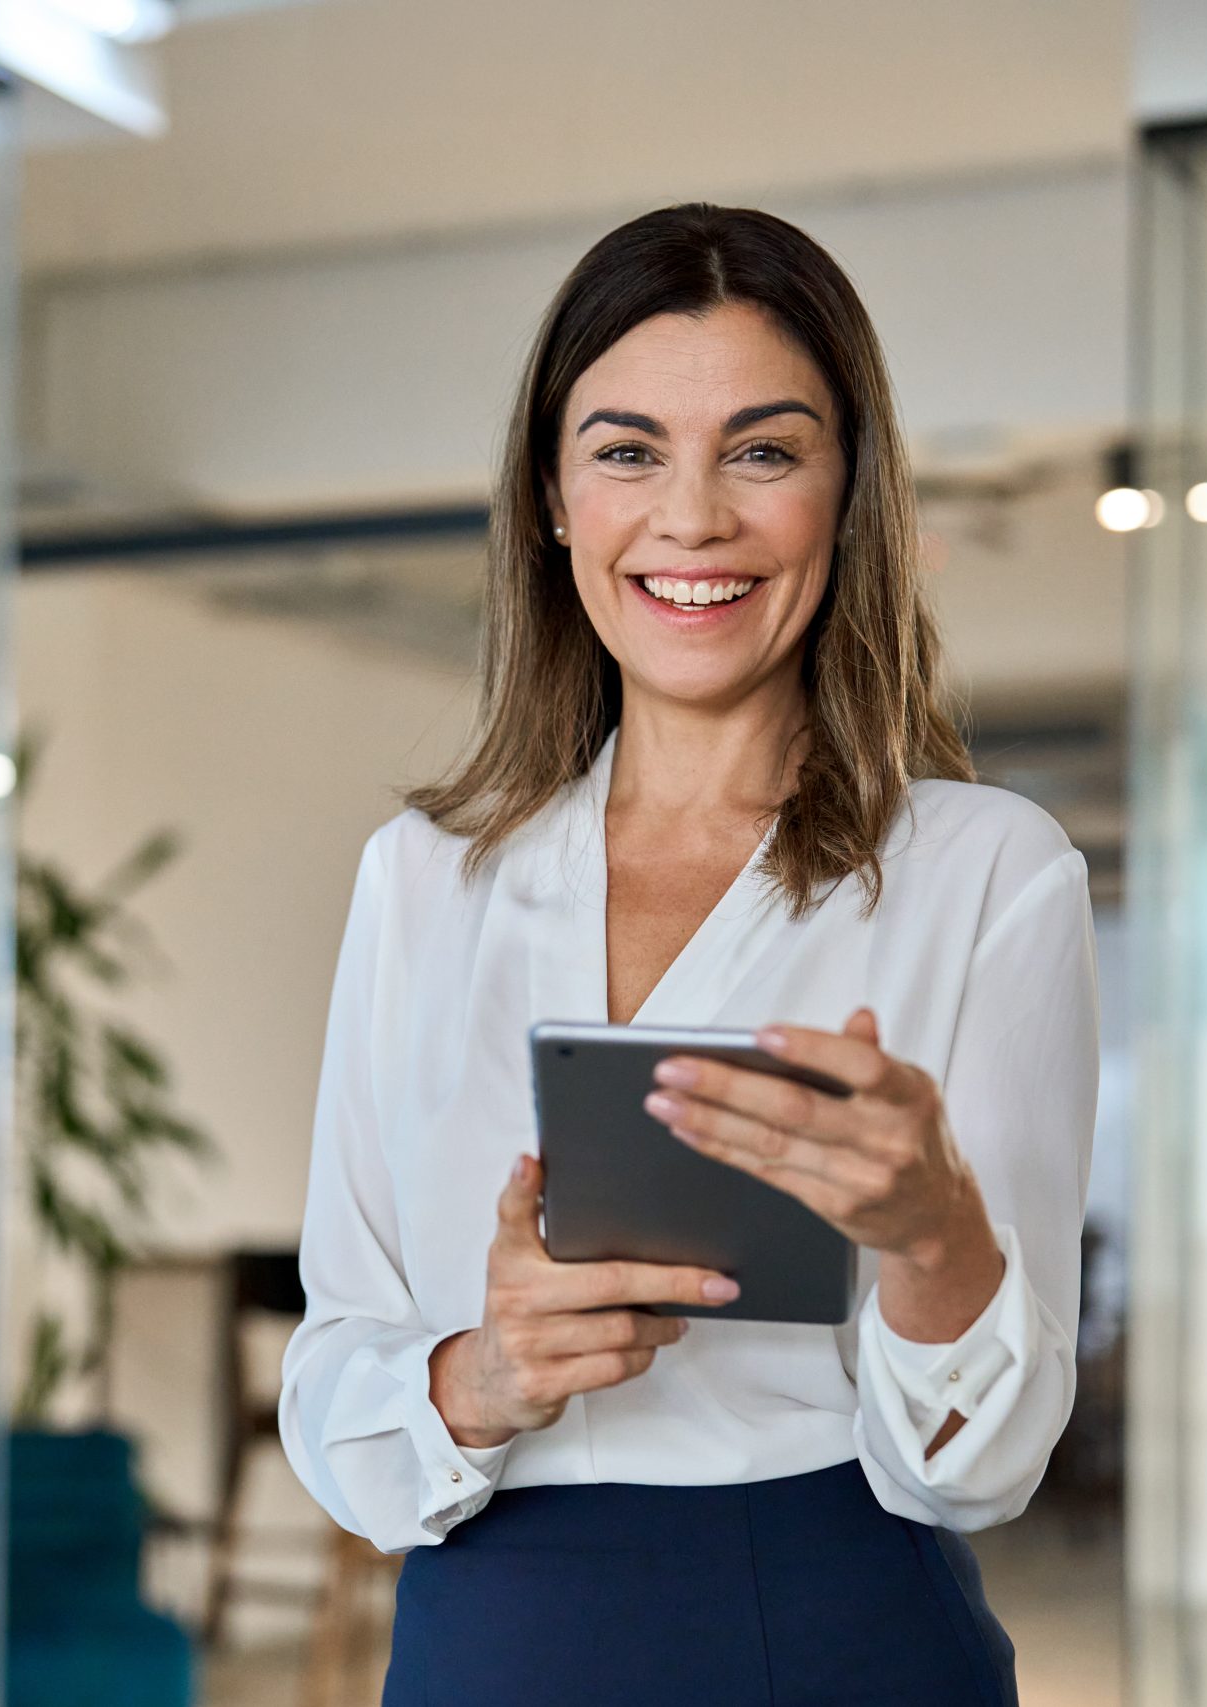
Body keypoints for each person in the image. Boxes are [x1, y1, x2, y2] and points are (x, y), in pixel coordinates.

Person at [277, 203, 1097, 1707]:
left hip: (842, 1624)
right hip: (494, 1639)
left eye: (766, 452)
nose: (694, 518)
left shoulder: (987, 873)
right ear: (550, 498)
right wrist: (490, 1372)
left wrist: (931, 1238)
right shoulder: (422, 887)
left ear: (849, 499)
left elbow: (984, 1470)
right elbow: (339, 1381)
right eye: (628, 450)